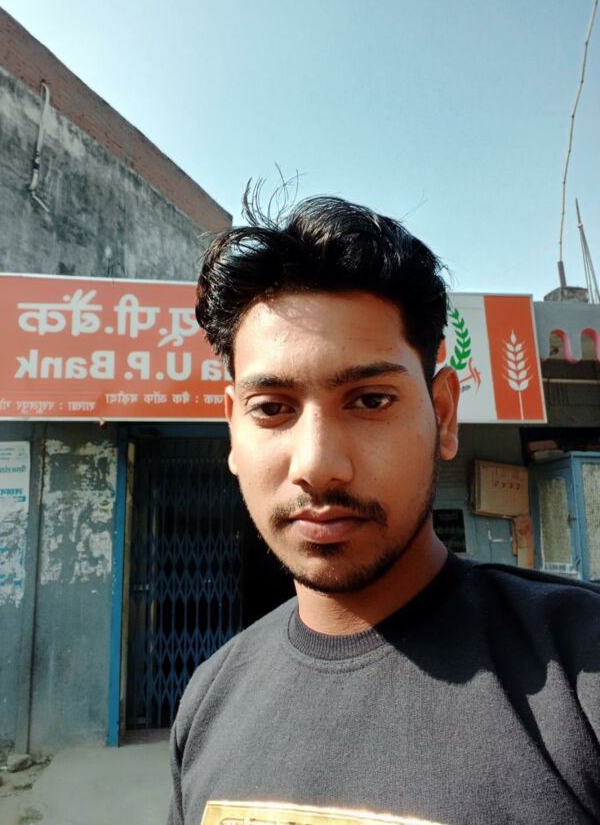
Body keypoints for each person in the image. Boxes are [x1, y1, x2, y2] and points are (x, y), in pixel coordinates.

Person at [168, 194, 600, 825]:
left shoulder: (583, 672)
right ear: (233, 428)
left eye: (370, 401)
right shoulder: (209, 698)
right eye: (272, 408)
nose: (317, 464)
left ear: (443, 416)